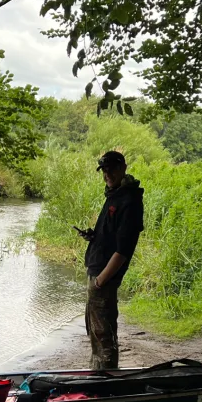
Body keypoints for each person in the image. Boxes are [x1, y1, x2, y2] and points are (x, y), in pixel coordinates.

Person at [77, 150, 144, 370]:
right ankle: (98, 377)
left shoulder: (129, 200)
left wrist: (100, 281)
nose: (108, 174)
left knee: (104, 336)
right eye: (104, 171)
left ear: (123, 167)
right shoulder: (115, 194)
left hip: (103, 277)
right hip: (97, 272)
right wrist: (93, 237)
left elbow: (123, 249)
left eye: (112, 169)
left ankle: (106, 384)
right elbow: (112, 236)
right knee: (96, 333)